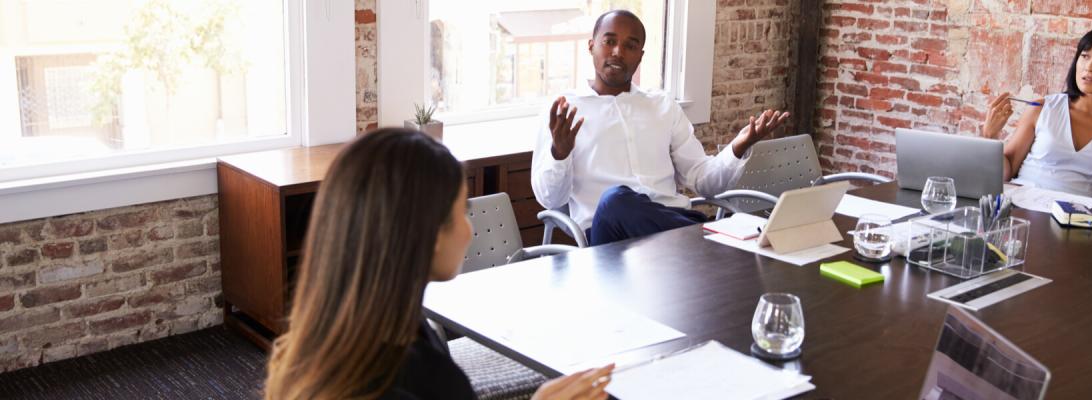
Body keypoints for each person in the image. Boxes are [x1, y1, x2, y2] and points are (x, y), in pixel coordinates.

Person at [263, 129, 614, 400]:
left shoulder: (323, 342)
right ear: (429, 234)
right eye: (463, 212)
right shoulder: (409, 378)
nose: (469, 229)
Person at [532, 10, 790, 246]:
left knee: (630, 204)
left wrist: (739, 146)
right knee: (615, 200)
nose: (618, 52)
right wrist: (560, 153)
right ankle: (710, 240)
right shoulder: (563, 111)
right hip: (610, 238)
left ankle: (705, 240)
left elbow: (704, 182)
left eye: (630, 45)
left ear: (640, 55)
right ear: (591, 46)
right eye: (609, 41)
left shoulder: (662, 105)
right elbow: (550, 200)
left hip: (671, 227)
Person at [982, 24, 1092, 205]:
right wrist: (990, 136)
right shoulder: (1042, 108)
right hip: (1019, 205)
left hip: (1079, 220)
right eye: (1085, 56)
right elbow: (1006, 172)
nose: (1089, 67)